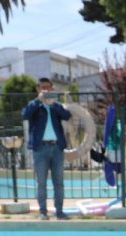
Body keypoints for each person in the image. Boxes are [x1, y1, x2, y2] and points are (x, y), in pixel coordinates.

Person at [21, 77, 72, 220]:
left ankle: (59, 212)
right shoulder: (34, 105)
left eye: (48, 87)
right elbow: (25, 114)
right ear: (38, 89)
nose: (45, 90)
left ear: (52, 88)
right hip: (40, 148)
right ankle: (43, 212)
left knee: (59, 183)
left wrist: (53, 104)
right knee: (41, 183)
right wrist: (38, 101)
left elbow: (67, 116)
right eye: (42, 87)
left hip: (57, 148)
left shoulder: (56, 105)